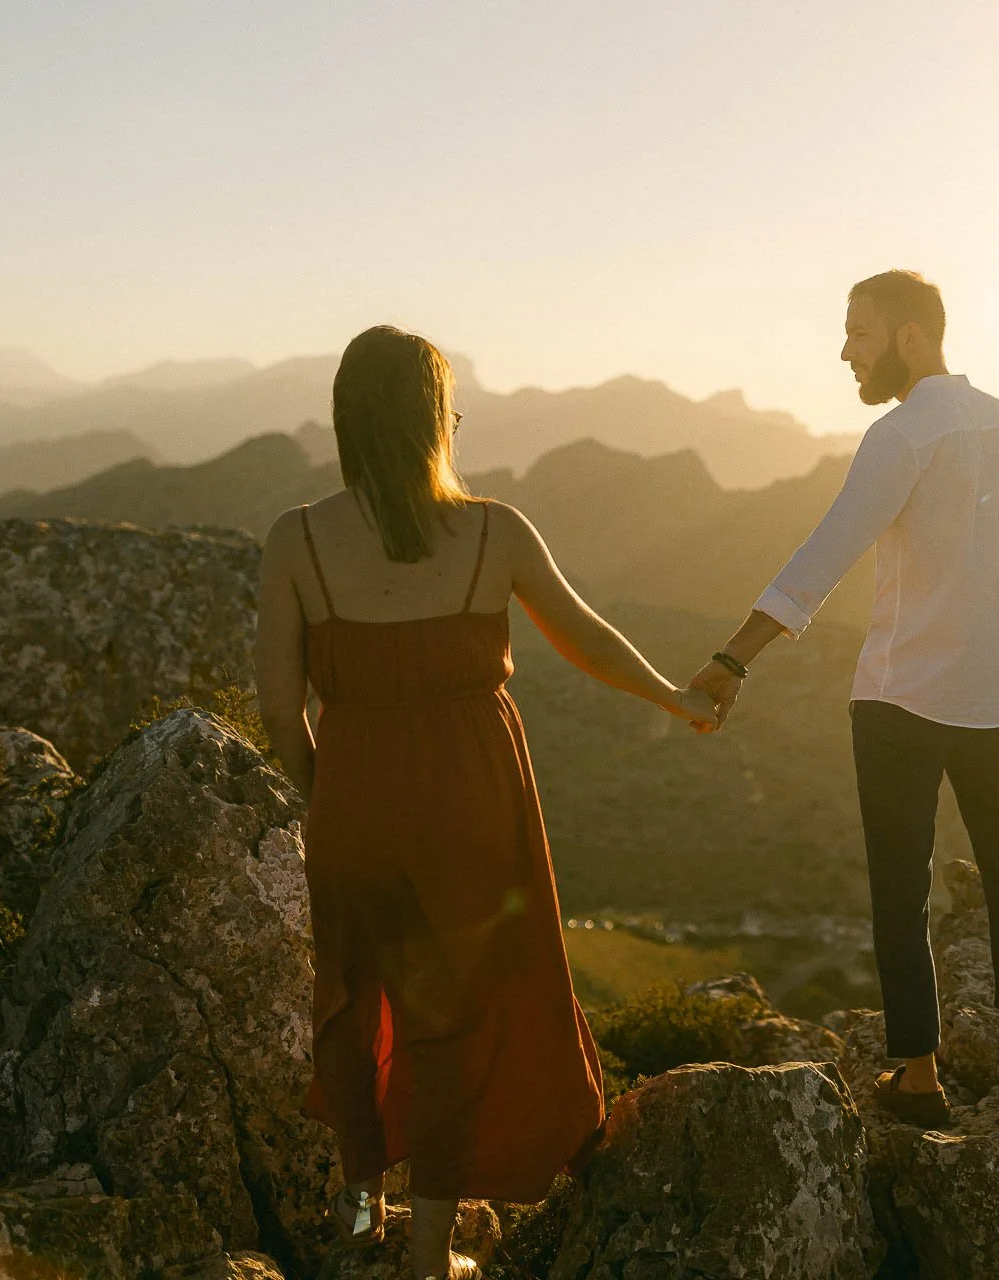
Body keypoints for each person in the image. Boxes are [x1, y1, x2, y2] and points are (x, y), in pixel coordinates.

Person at [253, 325, 720, 1280]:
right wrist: (673, 694)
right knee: (453, 1020)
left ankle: (360, 1213)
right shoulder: (492, 531)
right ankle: (430, 1257)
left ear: (346, 421)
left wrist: (330, 803)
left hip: (354, 797)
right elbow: (583, 635)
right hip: (471, 798)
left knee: (354, 991)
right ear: (434, 421)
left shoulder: (295, 539)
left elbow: (276, 706)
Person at [688, 270, 999, 1130]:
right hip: (998, 700)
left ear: (910, 338)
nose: (845, 349)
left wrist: (732, 659)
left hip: (898, 701)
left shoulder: (902, 437)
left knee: (901, 885)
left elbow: (824, 556)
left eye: (857, 331)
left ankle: (919, 1073)